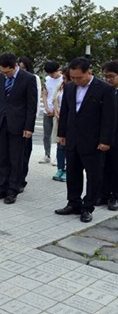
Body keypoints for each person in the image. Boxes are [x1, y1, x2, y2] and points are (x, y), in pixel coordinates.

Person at [55, 57, 116, 223]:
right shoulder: (69, 88)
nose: (75, 81)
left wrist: (105, 140)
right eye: (72, 77)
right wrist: (62, 134)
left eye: (79, 77)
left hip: (94, 141)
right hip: (73, 139)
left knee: (94, 176)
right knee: (73, 173)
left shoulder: (104, 89)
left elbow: (109, 118)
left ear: (89, 72)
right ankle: (73, 203)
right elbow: (65, 112)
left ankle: (88, 207)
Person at [0, 53, 38, 204]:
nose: (5, 75)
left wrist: (29, 127)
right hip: (0, 123)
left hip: (18, 124)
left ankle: (12, 190)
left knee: (16, 159)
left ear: (14, 66)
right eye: (2, 71)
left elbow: (31, 105)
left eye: (7, 72)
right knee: (2, 157)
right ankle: (1, 187)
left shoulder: (28, 78)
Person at [17, 57, 42, 192]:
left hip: (26, 121)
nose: (21, 70)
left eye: (23, 68)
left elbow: (34, 102)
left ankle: (21, 179)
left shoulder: (33, 78)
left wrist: (30, 123)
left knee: (24, 153)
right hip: (14, 121)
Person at [97, 61, 118, 210]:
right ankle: (103, 194)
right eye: (106, 77)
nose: (108, 80)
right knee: (103, 166)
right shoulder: (103, 91)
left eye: (111, 76)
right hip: (104, 135)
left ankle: (114, 195)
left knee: (116, 166)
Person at [40, 61, 63, 164]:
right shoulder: (47, 79)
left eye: (52, 73)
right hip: (48, 109)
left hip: (58, 110)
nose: (51, 75)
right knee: (46, 134)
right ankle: (47, 154)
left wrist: (55, 110)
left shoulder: (63, 79)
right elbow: (45, 94)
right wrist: (46, 107)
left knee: (58, 135)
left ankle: (58, 157)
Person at [51, 67, 69, 182]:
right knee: (60, 145)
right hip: (59, 119)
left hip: (70, 120)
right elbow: (55, 100)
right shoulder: (60, 86)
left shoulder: (74, 87)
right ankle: (60, 168)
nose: (64, 80)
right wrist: (57, 113)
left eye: (65, 78)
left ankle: (68, 169)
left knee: (69, 146)